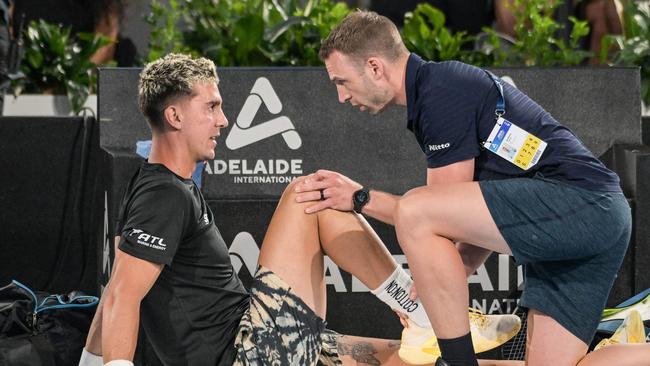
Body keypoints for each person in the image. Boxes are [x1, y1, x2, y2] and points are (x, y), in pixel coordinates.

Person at [78, 53, 521, 366]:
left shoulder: (154, 185)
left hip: (269, 345)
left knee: (413, 359)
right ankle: (419, 310)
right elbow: (122, 295)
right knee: (310, 196)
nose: (223, 120)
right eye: (211, 107)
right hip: (252, 353)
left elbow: (114, 288)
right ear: (174, 117)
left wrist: (88, 362)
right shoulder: (163, 194)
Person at [301, 9, 650, 366]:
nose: (342, 97)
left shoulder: (439, 91)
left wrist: (360, 198)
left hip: (584, 207)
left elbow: (431, 215)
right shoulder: (439, 90)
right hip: (587, 221)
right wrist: (435, 292)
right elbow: (468, 225)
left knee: (417, 208)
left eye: (341, 82)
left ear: (375, 67)